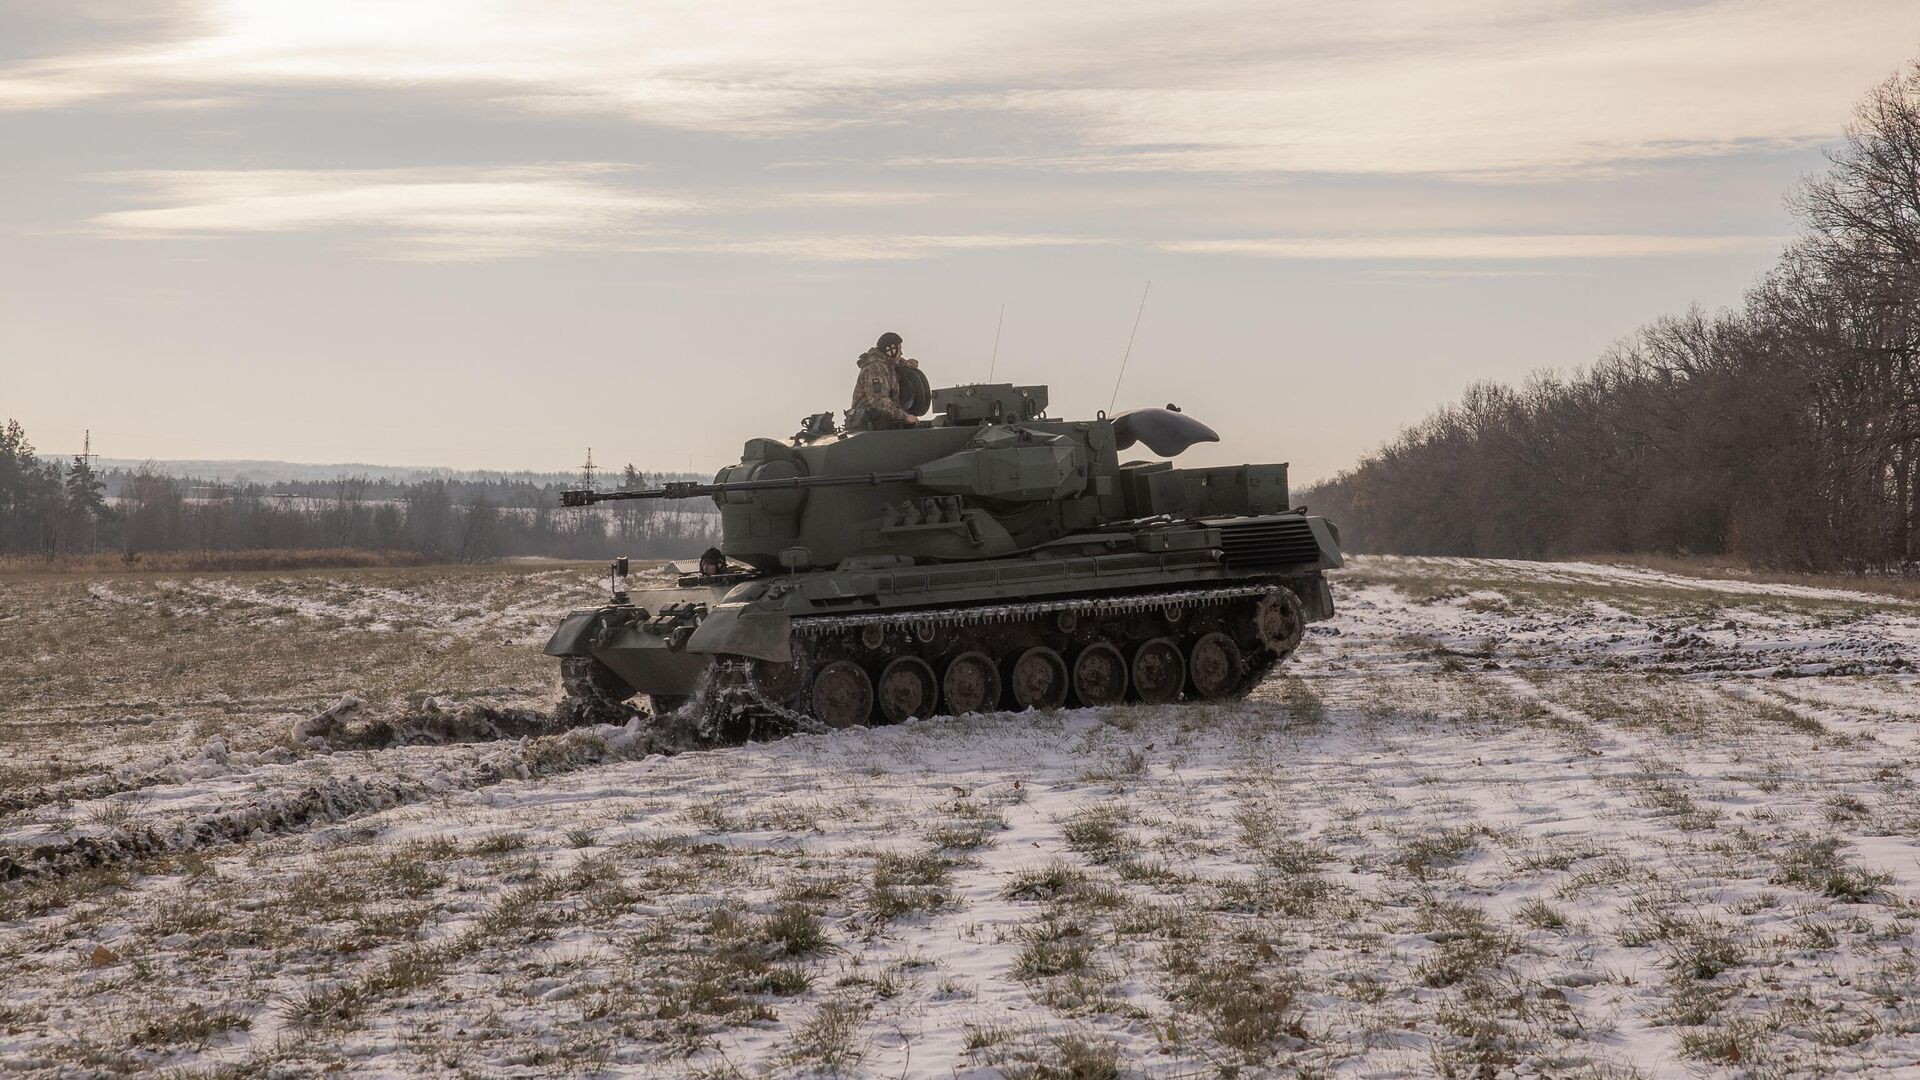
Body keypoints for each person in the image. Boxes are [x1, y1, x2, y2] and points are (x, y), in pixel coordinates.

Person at [847, 331, 921, 431]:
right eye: (899, 350)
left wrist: (906, 364)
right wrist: (905, 417)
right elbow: (879, 402)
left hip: (878, 424)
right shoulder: (876, 368)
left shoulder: (885, 365)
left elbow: (892, 364)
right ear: (891, 350)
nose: (901, 353)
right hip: (870, 426)